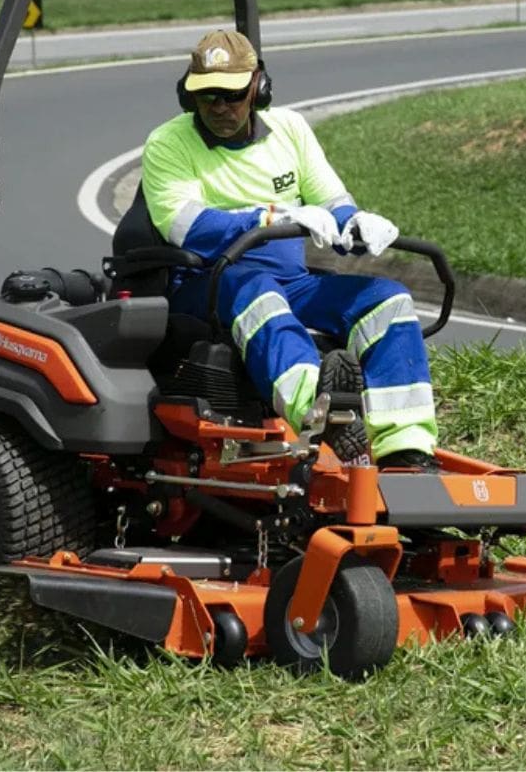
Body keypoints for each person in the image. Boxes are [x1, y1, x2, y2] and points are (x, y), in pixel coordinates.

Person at [139, 29, 437, 471]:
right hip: (209, 283)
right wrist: (272, 217)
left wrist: (353, 221)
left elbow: (332, 202)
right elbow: (187, 226)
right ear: (188, 96)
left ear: (258, 87)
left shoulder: (291, 130)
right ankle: (321, 414)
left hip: (291, 282)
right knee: (257, 291)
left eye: (231, 94)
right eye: (207, 97)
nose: (219, 107)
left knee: (386, 300)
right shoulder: (168, 143)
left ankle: (406, 451)